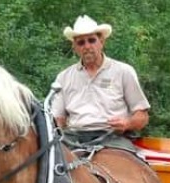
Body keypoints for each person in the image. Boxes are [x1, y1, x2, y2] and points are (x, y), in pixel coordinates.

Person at [52, 15, 150, 153]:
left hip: (113, 139)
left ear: (101, 41)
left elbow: (142, 116)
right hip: (73, 139)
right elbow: (57, 119)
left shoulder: (123, 71)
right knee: (48, 169)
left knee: (124, 171)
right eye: (81, 43)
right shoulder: (63, 77)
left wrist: (127, 123)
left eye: (92, 40)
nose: (87, 46)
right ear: (74, 47)